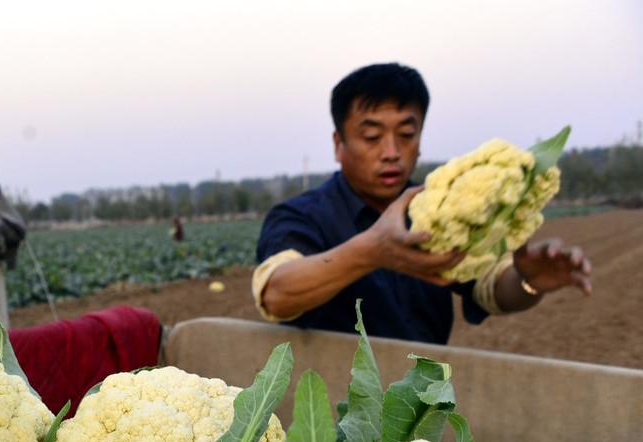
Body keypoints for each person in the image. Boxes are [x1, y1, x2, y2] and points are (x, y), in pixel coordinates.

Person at [251, 63, 592, 344]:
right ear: (339, 144)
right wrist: (371, 251)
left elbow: (491, 288)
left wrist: (527, 280)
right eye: (371, 137)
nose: (391, 152)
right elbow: (276, 294)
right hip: (328, 409)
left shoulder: (444, 211)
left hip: (418, 404)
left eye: (406, 135)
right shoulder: (301, 216)